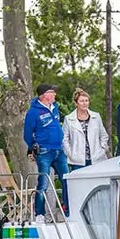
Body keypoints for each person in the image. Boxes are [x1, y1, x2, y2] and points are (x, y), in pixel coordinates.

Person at [23, 83, 69, 221]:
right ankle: (40, 213)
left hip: (58, 149)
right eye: (52, 92)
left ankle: (68, 210)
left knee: (66, 179)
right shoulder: (33, 112)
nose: (55, 94)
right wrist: (34, 147)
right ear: (44, 95)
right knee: (43, 182)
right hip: (44, 151)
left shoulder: (55, 108)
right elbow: (27, 134)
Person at [63, 88, 110, 171]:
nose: (85, 103)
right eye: (82, 101)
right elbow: (64, 139)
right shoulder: (69, 119)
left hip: (97, 158)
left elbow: (103, 135)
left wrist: (102, 149)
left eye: (86, 100)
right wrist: (70, 154)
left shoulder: (96, 116)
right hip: (78, 161)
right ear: (76, 103)